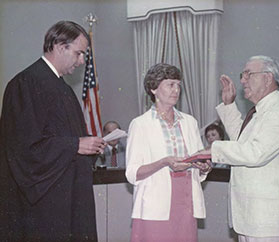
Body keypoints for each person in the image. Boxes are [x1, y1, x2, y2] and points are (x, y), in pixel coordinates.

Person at [0, 21, 107, 242]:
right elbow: (22, 148)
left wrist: (92, 145)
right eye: (78, 54)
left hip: (71, 198)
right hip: (45, 206)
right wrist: (76, 145)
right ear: (60, 46)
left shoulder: (64, 89)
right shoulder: (25, 84)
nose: (82, 61)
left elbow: (70, 139)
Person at [198, 55, 279, 241]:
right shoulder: (261, 111)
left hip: (267, 222)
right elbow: (241, 142)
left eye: (248, 74)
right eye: (242, 75)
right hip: (250, 218)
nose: (242, 80)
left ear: (268, 78)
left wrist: (214, 150)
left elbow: (255, 153)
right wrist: (228, 105)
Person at [125, 63, 212, 242]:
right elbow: (132, 173)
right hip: (155, 201)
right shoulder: (140, 124)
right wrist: (164, 162)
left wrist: (203, 167)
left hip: (187, 198)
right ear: (153, 89)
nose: (176, 90)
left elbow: (198, 160)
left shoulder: (190, 122)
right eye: (170, 84)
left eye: (178, 85)